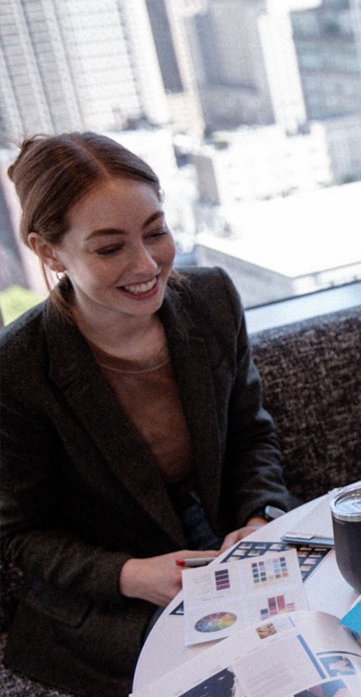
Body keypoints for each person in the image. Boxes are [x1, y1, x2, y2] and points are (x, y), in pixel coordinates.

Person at [0, 133, 297, 695]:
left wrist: (260, 518)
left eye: (156, 232)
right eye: (109, 248)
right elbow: (20, 533)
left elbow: (250, 434)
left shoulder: (211, 299)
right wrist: (131, 575)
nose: (146, 264)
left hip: (227, 544)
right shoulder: (18, 367)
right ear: (47, 251)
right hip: (117, 593)